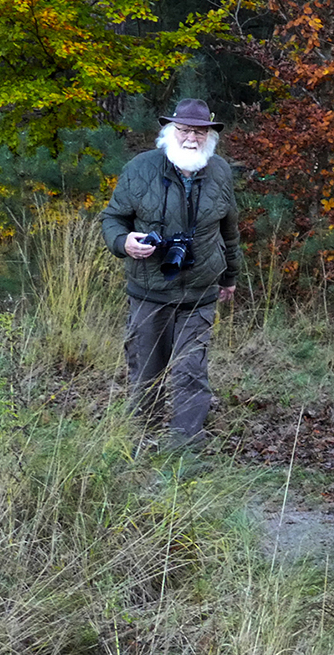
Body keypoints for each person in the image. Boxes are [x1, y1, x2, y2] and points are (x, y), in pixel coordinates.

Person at [101, 98, 239, 449]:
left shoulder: (220, 171)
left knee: (191, 371)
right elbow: (113, 218)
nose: (191, 138)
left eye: (199, 131)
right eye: (184, 130)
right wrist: (123, 242)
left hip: (200, 291)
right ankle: (139, 438)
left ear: (209, 135)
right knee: (146, 369)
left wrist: (230, 276)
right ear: (169, 132)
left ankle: (185, 448)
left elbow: (230, 229)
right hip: (149, 289)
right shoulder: (141, 168)